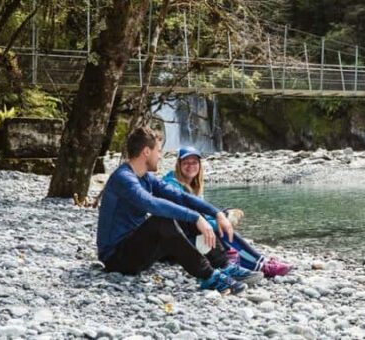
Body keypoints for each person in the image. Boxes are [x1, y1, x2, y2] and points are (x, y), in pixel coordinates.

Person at [96, 126, 260, 294]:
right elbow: (150, 203)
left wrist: (216, 213)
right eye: (158, 151)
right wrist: (196, 218)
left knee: (183, 214)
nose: (160, 156)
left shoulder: (145, 177)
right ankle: (209, 276)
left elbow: (180, 197)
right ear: (146, 151)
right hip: (116, 258)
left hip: (138, 250)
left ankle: (224, 266)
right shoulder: (124, 178)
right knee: (163, 220)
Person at [163, 146, 293, 278]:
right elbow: (189, 218)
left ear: (200, 165)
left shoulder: (193, 185)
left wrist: (223, 216)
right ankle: (261, 265)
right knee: (221, 228)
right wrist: (224, 221)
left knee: (222, 220)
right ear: (178, 165)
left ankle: (251, 261)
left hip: (191, 235)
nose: (190, 166)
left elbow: (202, 215)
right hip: (178, 242)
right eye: (186, 162)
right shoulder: (170, 184)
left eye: (194, 162)